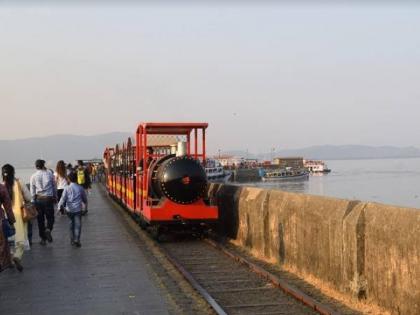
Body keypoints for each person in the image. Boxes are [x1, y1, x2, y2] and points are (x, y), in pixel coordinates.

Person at [2, 164, 31, 272]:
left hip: (5, 216)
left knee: (7, 240)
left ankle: (9, 260)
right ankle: (17, 256)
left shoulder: (1, 185)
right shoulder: (19, 182)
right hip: (19, 215)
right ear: (13, 172)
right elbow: (29, 197)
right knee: (20, 240)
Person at [30, 159, 57, 245]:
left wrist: (33, 201)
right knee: (50, 218)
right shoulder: (49, 174)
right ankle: (48, 229)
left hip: (38, 199)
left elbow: (32, 190)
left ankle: (43, 239)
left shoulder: (33, 176)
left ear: (36, 166)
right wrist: (55, 196)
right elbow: (54, 186)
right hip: (48, 199)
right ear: (43, 165)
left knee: (40, 220)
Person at [58, 172, 87, 247]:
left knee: (71, 224)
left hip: (69, 210)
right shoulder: (80, 188)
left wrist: (59, 207)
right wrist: (85, 208)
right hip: (78, 210)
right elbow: (84, 199)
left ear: (69, 179)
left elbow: (63, 199)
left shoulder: (66, 188)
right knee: (78, 225)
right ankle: (77, 239)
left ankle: (72, 240)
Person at [0, 182, 15, 272]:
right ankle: (5, 262)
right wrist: (11, 220)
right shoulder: (1, 188)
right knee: (2, 242)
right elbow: (8, 206)